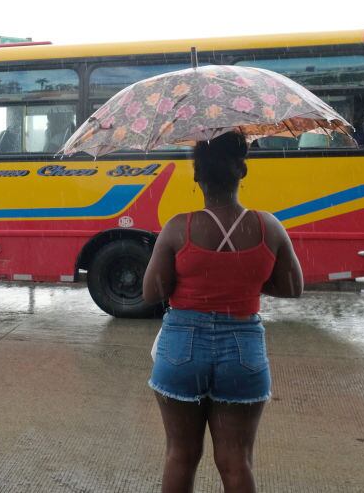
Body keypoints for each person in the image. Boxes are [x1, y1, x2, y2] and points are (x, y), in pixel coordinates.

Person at [142, 132, 303, 493]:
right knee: (236, 461)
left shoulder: (178, 228)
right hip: (243, 351)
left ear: (197, 177)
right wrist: (245, 282)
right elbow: (294, 287)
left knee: (180, 455)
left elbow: (150, 292)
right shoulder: (268, 227)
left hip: (181, 349)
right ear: (242, 171)